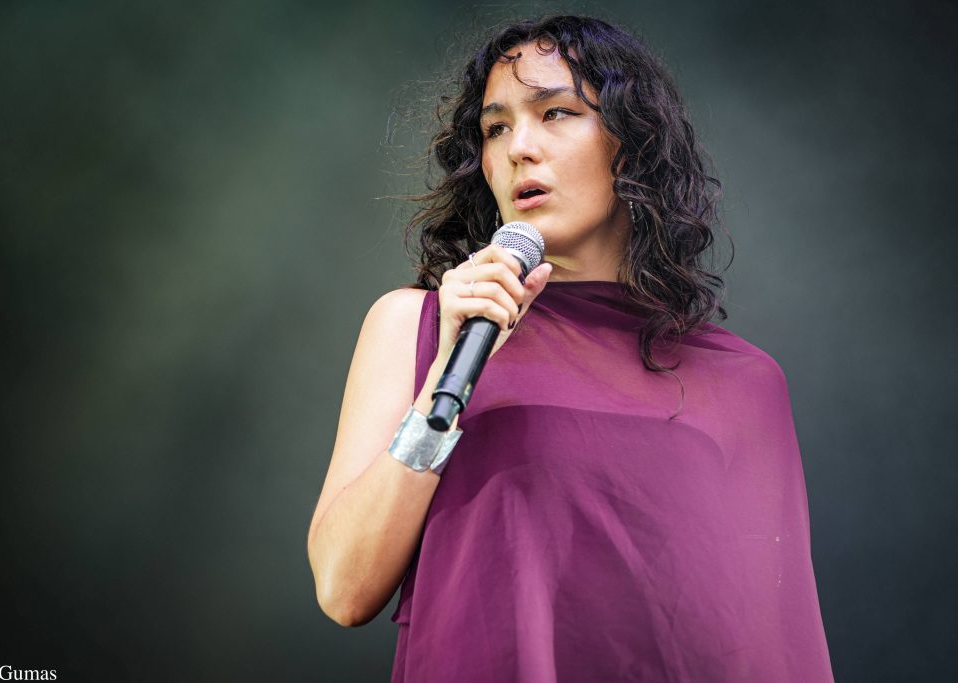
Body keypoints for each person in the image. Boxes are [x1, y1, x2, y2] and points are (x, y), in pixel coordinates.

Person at [307, 15, 834, 683]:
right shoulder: (420, 326)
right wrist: (445, 376)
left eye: (556, 113)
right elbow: (344, 588)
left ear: (631, 144)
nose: (520, 148)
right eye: (496, 128)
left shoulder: (744, 382)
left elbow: (772, 643)